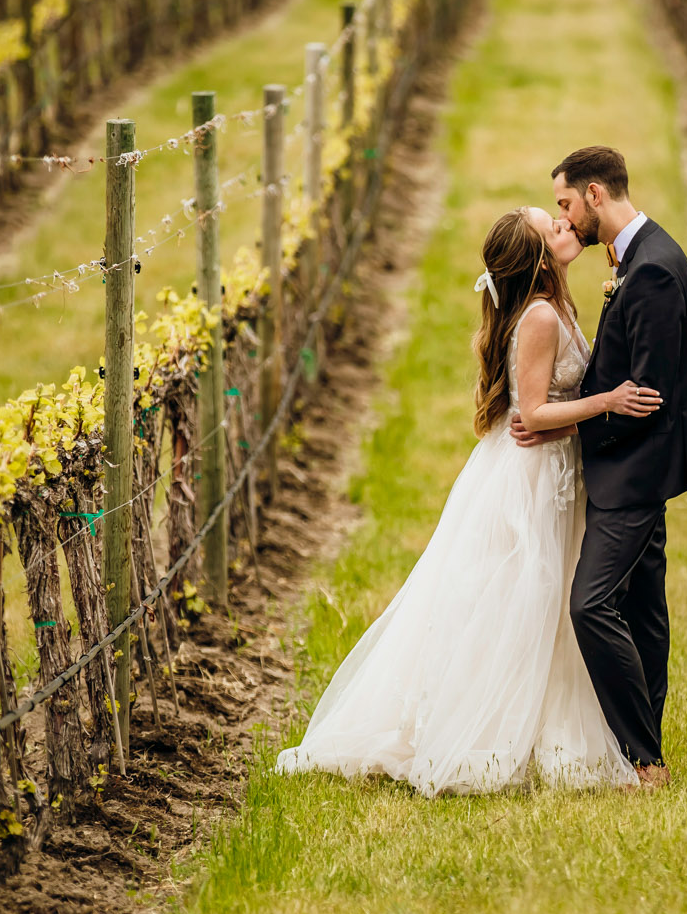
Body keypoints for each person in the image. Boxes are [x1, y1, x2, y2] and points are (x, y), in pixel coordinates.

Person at [275, 206, 658, 796]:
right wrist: (605, 403)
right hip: (529, 477)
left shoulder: (554, 304)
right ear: (537, 258)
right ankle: (490, 728)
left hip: (550, 462)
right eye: (551, 227)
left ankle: (549, 726)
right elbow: (532, 413)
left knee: (550, 599)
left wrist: (569, 423)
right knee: (520, 597)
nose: (566, 228)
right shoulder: (537, 317)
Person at [511, 146, 687, 789]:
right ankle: (644, 742)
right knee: (645, 607)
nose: (565, 220)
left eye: (566, 204)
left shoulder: (650, 270)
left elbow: (643, 398)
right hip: (632, 470)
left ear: (595, 194)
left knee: (592, 604)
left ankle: (642, 755)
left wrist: (563, 424)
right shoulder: (639, 255)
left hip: (631, 472)